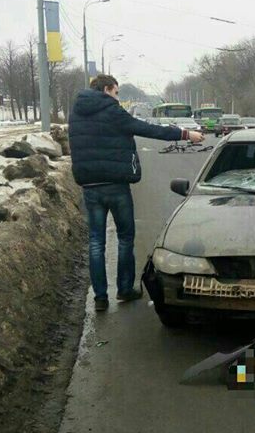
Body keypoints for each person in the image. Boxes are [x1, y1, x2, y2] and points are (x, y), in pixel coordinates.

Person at [69, 74, 204, 312]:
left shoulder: (76, 112)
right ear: (107, 89)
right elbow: (146, 128)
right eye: (116, 92)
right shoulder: (112, 110)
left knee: (95, 242)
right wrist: (184, 134)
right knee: (124, 238)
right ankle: (124, 289)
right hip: (116, 184)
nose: (117, 96)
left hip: (90, 185)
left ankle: (100, 297)